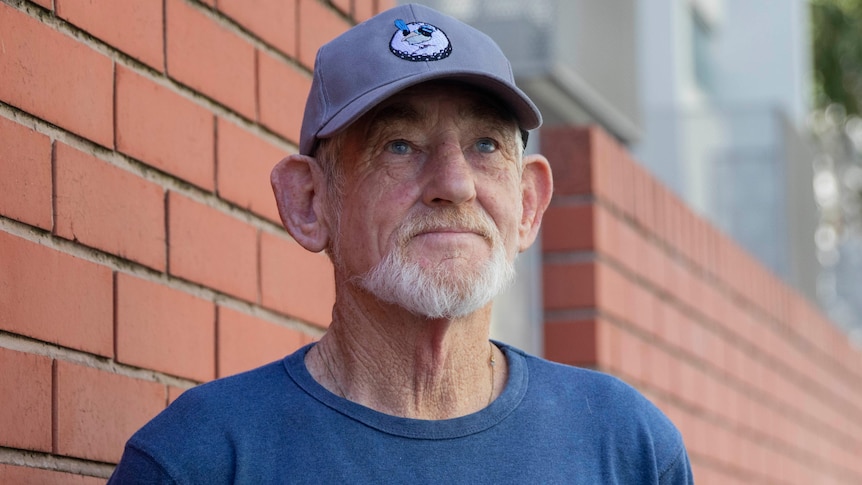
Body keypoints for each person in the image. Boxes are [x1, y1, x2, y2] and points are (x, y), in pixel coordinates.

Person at [109, 4, 693, 483]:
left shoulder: (627, 447)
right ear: (309, 203)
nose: (455, 183)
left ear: (528, 204)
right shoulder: (200, 460)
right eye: (399, 145)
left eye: (486, 145)